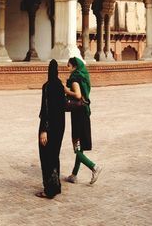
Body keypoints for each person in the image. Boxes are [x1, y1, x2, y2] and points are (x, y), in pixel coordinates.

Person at [63, 57, 103, 185]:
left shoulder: (75, 79)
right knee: (80, 148)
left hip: (78, 115)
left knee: (77, 145)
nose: (67, 67)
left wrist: (66, 90)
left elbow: (78, 95)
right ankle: (74, 175)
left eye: (68, 65)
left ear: (73, 66)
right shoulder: (83, 77)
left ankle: (94, 167)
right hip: (83, 113)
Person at [37, 59, 66, 198]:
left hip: (49, 127)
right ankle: (56, 185)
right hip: (60, 127)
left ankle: (49, 190)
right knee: (55, 156)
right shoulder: (60, 86)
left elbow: (46, 109)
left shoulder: (47, 86)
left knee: (46, 157)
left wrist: (43, 130)